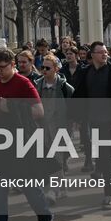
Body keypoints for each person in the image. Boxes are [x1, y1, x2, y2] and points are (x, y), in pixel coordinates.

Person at [0, 48, 54, 221]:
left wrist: (12, 107)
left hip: (21, 145)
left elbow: (39, 112)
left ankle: (46, 218)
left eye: (2, 67)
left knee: (30, 190)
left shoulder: (24, 83)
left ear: (12, 65)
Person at [72, 41, 111, 209]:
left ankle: (109, 194)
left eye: (106, 52)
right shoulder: (85, 72)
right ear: (92, 55)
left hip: (110, 121)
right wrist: (77, 118)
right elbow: (79, 96)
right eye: (101, 52)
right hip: (92, 121)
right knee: (102, 157)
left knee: (105, 157)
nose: (105, 54)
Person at [36, 52, 75, 200]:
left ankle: (53, 191)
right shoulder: (37, 85)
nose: (44, 71)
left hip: (60, 126)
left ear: (56, 69)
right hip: (42, 127)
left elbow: (73, 108)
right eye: (42, 68)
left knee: (57, 159)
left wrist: (73, 123)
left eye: (48, 68)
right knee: (48, 159)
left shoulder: (66, 88)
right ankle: (62, 189)